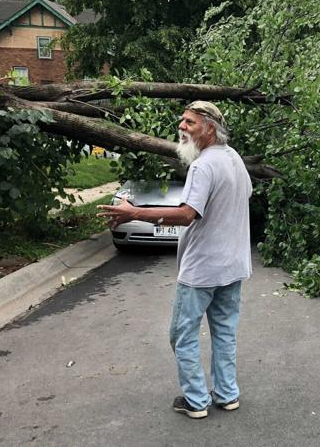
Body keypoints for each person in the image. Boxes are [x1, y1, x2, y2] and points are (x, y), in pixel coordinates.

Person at [97, 100, 252, 419]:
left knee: (182, 334)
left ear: (210, 129)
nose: (181, 127)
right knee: (224, 331)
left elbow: (186, 214)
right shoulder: (233, 158)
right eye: (182, 120)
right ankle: (227, 394)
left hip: (202, 270)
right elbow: (244, 194)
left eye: (190, 122)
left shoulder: (203, 165)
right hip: (233, 265)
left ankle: (196, 401)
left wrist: (134, 213)